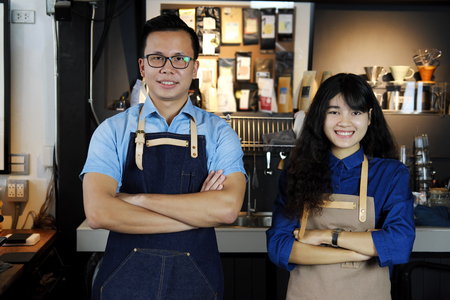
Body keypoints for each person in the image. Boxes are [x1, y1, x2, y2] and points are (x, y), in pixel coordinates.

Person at [81, 14, 246, 300]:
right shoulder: (112, 131)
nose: (168, 69)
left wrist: (135, 199)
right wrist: (197, 215)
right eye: (157, 58)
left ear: (195, 68)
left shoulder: (220, 133)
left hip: (197, 285)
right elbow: (98, 212)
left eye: (179, 59)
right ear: (143, 66)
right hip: (124, 284)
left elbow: (227, 208)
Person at [266, 73, 415, 299]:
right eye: (334, 112)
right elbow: (279, 247)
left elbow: (399, 244)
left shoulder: (391, 174)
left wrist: (325, 236)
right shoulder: (296, 172)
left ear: (369, 117)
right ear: (320, 116)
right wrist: (359, 253)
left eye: (355, 112)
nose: (345, 122)